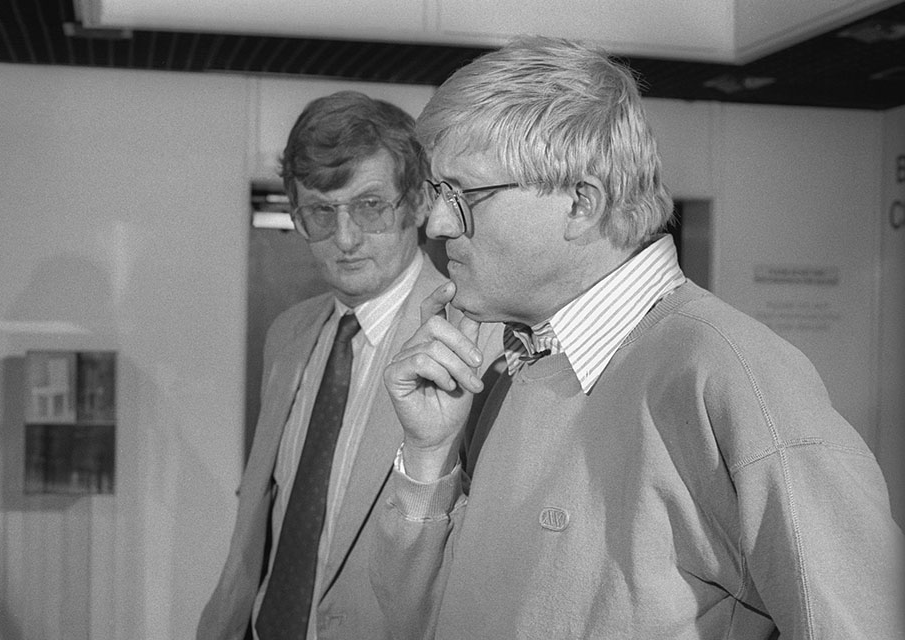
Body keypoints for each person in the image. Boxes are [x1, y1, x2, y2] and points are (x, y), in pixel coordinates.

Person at [374, 36, 904, 639]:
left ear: (580, 203)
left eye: (463, 195)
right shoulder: (506, 368)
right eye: (438, 195)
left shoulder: (729, 374)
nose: (438, 224)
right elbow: (419, 621)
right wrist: (427, 455)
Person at [197, 90, 500, 640]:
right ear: (295, 215)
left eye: (369, 206)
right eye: (320, 211)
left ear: (414, 204)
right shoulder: (288, 334)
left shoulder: (475, 339)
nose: (345, 238)